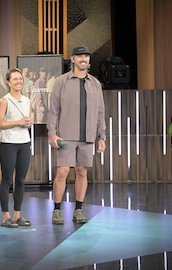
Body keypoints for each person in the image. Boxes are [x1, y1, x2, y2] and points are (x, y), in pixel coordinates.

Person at [47, 45, 106, 225]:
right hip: (65, 135)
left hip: (87, 135)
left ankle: (78, 210)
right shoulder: (61, 82)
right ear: (72, 59)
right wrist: (52, 133)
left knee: (81, 172)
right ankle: (57, 210)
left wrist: (101, 136)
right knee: (63, 171)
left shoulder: (95, 84)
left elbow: (100, 112)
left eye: (86, 56)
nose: (83, 59)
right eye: (80, 56)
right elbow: (53, 110)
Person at [0, 68, 33, 228]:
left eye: (20, 79)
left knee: (21, 181)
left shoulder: (27, 100)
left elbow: (28, 120)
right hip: (8, 144)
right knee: (6, 180)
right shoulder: (4, 101)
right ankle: (6, 216)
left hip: (24, 142)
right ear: (8, 82)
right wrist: (18, 122)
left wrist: (29, 122)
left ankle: (17, 215)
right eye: (15, 79)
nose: (18, 82)